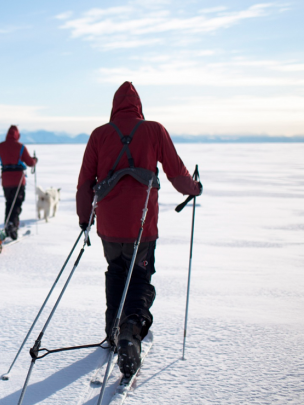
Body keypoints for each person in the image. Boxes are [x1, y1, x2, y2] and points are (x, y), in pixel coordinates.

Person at [76, 82, 202, 378]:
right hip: (142, 226)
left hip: (108, 225)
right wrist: (194, 188)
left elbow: (84, 183)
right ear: (138, 106)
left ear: (114, 106)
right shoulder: (154, 130)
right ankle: (130, 333)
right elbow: (176, 172)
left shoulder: (99, 134)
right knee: (140, 278)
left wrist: (85, 219)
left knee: (117, 272)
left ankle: (113, 331)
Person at [0, 125, 37, 240]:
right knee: (16, 204)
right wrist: (35, 160)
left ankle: (9, 224)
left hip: (6, 180)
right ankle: (12, 226)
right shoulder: (21, 147)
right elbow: (30, 162)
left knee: (9, 203)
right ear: (17, 135)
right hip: (18, 180)